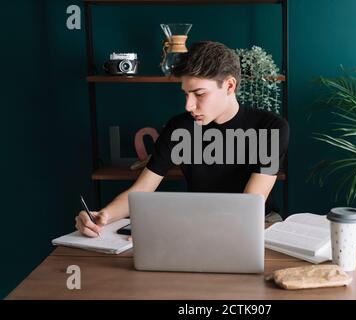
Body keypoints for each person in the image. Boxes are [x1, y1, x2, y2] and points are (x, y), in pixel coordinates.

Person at [75, 41, 289, 237]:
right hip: (196, 222)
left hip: (260, 222)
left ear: (229, 86)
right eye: (186, 94)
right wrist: (102, 216)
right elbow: (140, 190)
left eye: (199, 93)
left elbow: (251, 203)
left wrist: (173, 228)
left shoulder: (271, 128)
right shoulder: (179, 127)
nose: (188, 106)